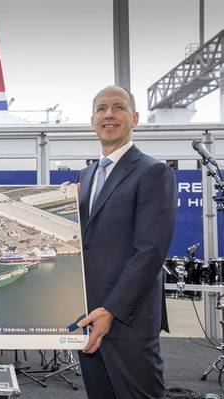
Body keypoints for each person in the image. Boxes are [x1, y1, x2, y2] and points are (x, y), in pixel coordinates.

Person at [76, 86, 177, 398]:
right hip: (88, 317)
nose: (109, 114)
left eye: (118, 107)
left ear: (134, 117)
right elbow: (88, 241)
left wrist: (111, 310)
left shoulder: (153, 172)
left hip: (126, 320)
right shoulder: (87, 175)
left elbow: (149, 252)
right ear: (92, 119)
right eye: (101, 108)